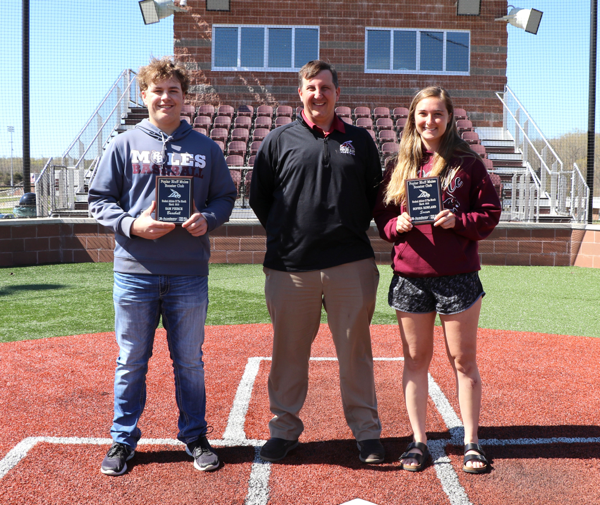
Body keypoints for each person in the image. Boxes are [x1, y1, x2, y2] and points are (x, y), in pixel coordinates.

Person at [88, 57, 236, 476]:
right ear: (145, 95)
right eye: (158, 90)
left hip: (189, 273)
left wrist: (208, 218)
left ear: (184, 97)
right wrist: (133, 224)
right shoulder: (123, 144)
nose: (165, 97)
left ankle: (194, 436)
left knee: (189, 361)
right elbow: (99, 201)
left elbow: (225, 198)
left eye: (173, 90)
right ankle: (122, 440)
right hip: (135, 272)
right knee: (131, 360)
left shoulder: (206, 148)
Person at [249, 60, 385, 464]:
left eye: (326, 87)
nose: (318, 94)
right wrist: (291, 235)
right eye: (311, 87)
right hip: (290, 267)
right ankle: (284, 430)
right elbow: (261, 199)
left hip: (350, 263)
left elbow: (371, 197)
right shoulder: (278, 140)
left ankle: (366, 433)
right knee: (288, 352)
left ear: (337, 93)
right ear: (301, 93)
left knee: (355, 352)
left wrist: (341, 229)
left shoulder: (360, 141)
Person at [373, 87, 501, 474]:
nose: (430, 121)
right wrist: (399, 224)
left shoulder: (467, 162)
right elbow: (382, 218)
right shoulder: (399, 162)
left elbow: (490, 213)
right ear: (413, 117)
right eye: (423, 114)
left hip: (458, 278)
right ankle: (417, 441)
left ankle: (472, 442)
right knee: (415, 360)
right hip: (411, 277)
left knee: (463, 361)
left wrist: (457, 221)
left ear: (449, 118)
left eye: (438, 114)